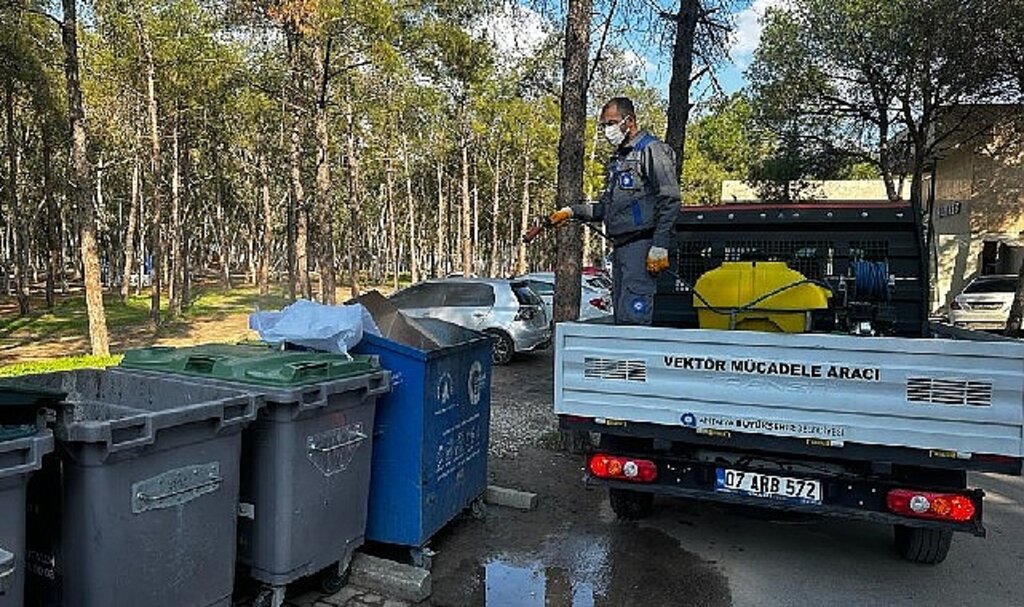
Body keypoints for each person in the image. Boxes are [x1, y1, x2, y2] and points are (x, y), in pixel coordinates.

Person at [549, 96, 681, 325]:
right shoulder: (620, 159)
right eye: (604, 125)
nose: (606, 130)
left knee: (633, 319)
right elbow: (605, 208)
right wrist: (571, 211)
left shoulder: (651, 150)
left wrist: (660, 244)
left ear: (628, 121)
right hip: (621, 249)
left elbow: (670, 199)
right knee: (621, 317)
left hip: (642, 248)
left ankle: (634, 361)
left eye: (610, 123)